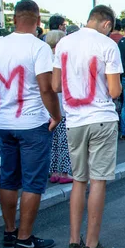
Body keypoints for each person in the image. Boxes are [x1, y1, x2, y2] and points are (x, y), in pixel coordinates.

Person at [0, 0, 62, 248]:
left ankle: (9, 232)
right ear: (38, 21)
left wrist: (0, 103)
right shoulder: (39, 48)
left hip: (7, 122)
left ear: (15, 19)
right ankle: (25, 237)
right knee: (32, 182)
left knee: (9, 179)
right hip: (32, 123)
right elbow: (45, 87)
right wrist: (56, 115)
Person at [53, 5, 122, 248]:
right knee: (98, 181)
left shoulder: (64, 44)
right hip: (101, 117)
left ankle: (74, 243)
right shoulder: (107, 45)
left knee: (79, 182)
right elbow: (114, 91)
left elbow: (55, 85)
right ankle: (92, 245)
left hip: (74, 120)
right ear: (106, 24)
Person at [45, 30, 73, 185]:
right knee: (64, 140)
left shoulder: (44, 56)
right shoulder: (60, 58)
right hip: (62, 103)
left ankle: (53, 171)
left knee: (53, 141)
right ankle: (63, 171)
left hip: (47, 106)